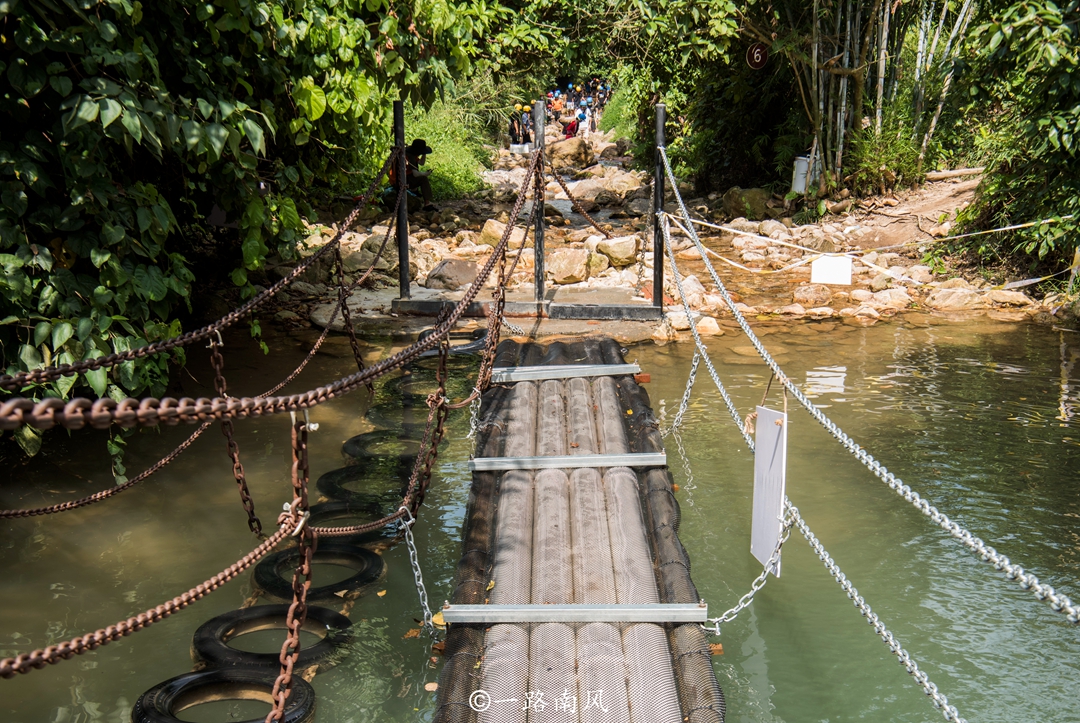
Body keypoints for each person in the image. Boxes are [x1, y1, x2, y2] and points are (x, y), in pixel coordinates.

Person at [401, 138, 436, 212]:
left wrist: (424, 153)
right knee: (423, 179)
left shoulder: (411, 154)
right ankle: (427, 203)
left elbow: (421, 163)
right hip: (403, 179)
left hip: (404, 177)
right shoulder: (410, 156)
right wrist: (425, 174)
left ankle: (414, 191)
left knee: (418, 176)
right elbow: (416, 174)